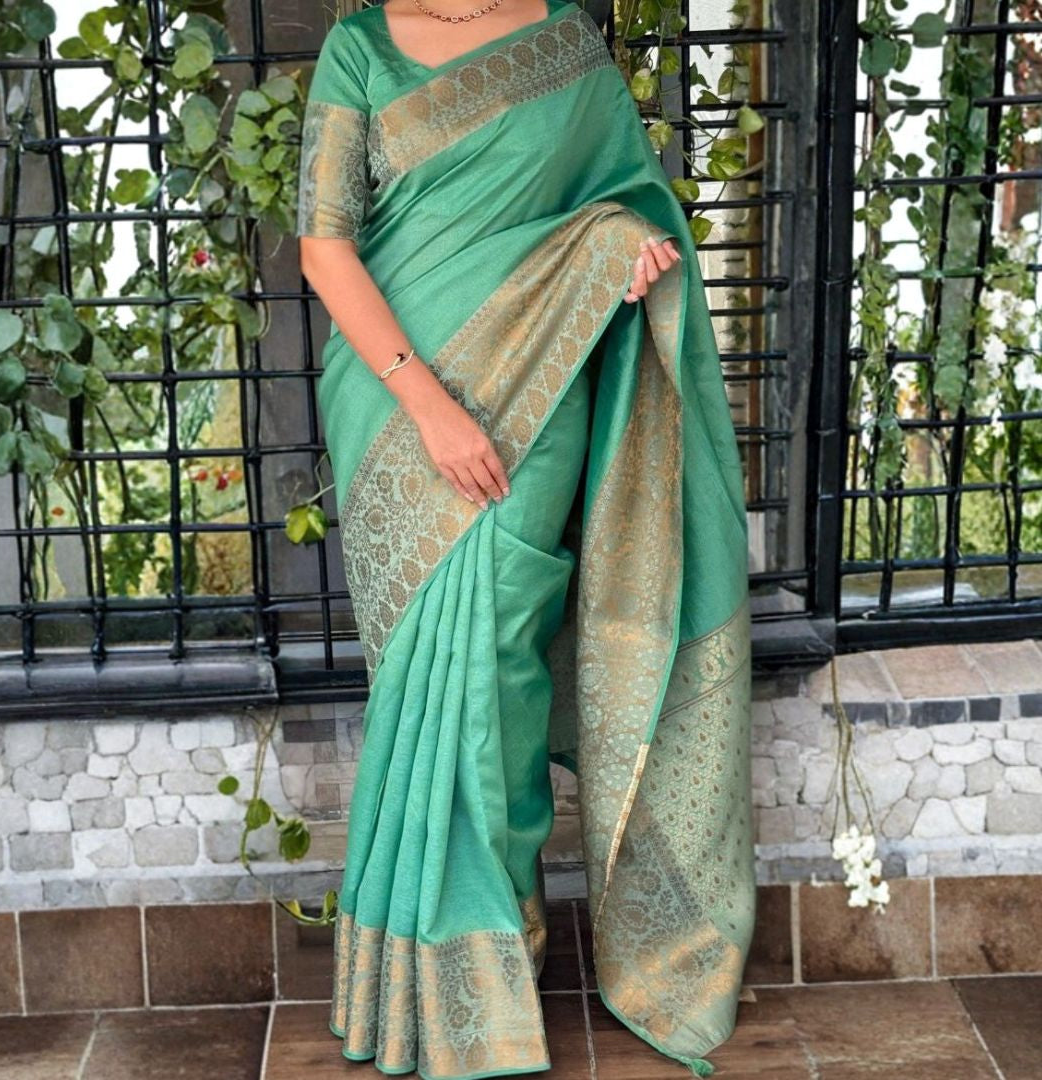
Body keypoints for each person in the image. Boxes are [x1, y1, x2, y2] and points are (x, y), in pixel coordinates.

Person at [296, 1, 756, 1077]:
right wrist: (429, 407)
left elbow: (624, 200)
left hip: (538, 387)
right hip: (395, 409)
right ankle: (450, 966)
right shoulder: (360, 49)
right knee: (424, 676)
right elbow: (324, 247)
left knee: (498, 670)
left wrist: (622, 246)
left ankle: (494, 956)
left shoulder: (564, 40)